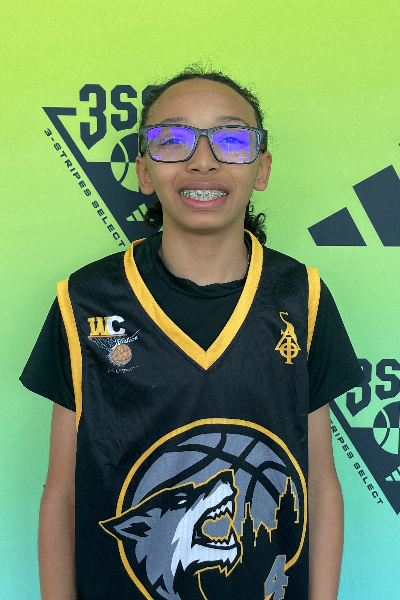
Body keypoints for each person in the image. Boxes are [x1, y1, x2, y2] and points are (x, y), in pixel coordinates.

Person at [20, 66, 364, 600]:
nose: (203, 159)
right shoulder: (84, 301)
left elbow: (319, 484)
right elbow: (62, 494)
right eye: (172, 140)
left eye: (231, 139)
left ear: (262, 168)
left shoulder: (303, 297)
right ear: (143, 170)